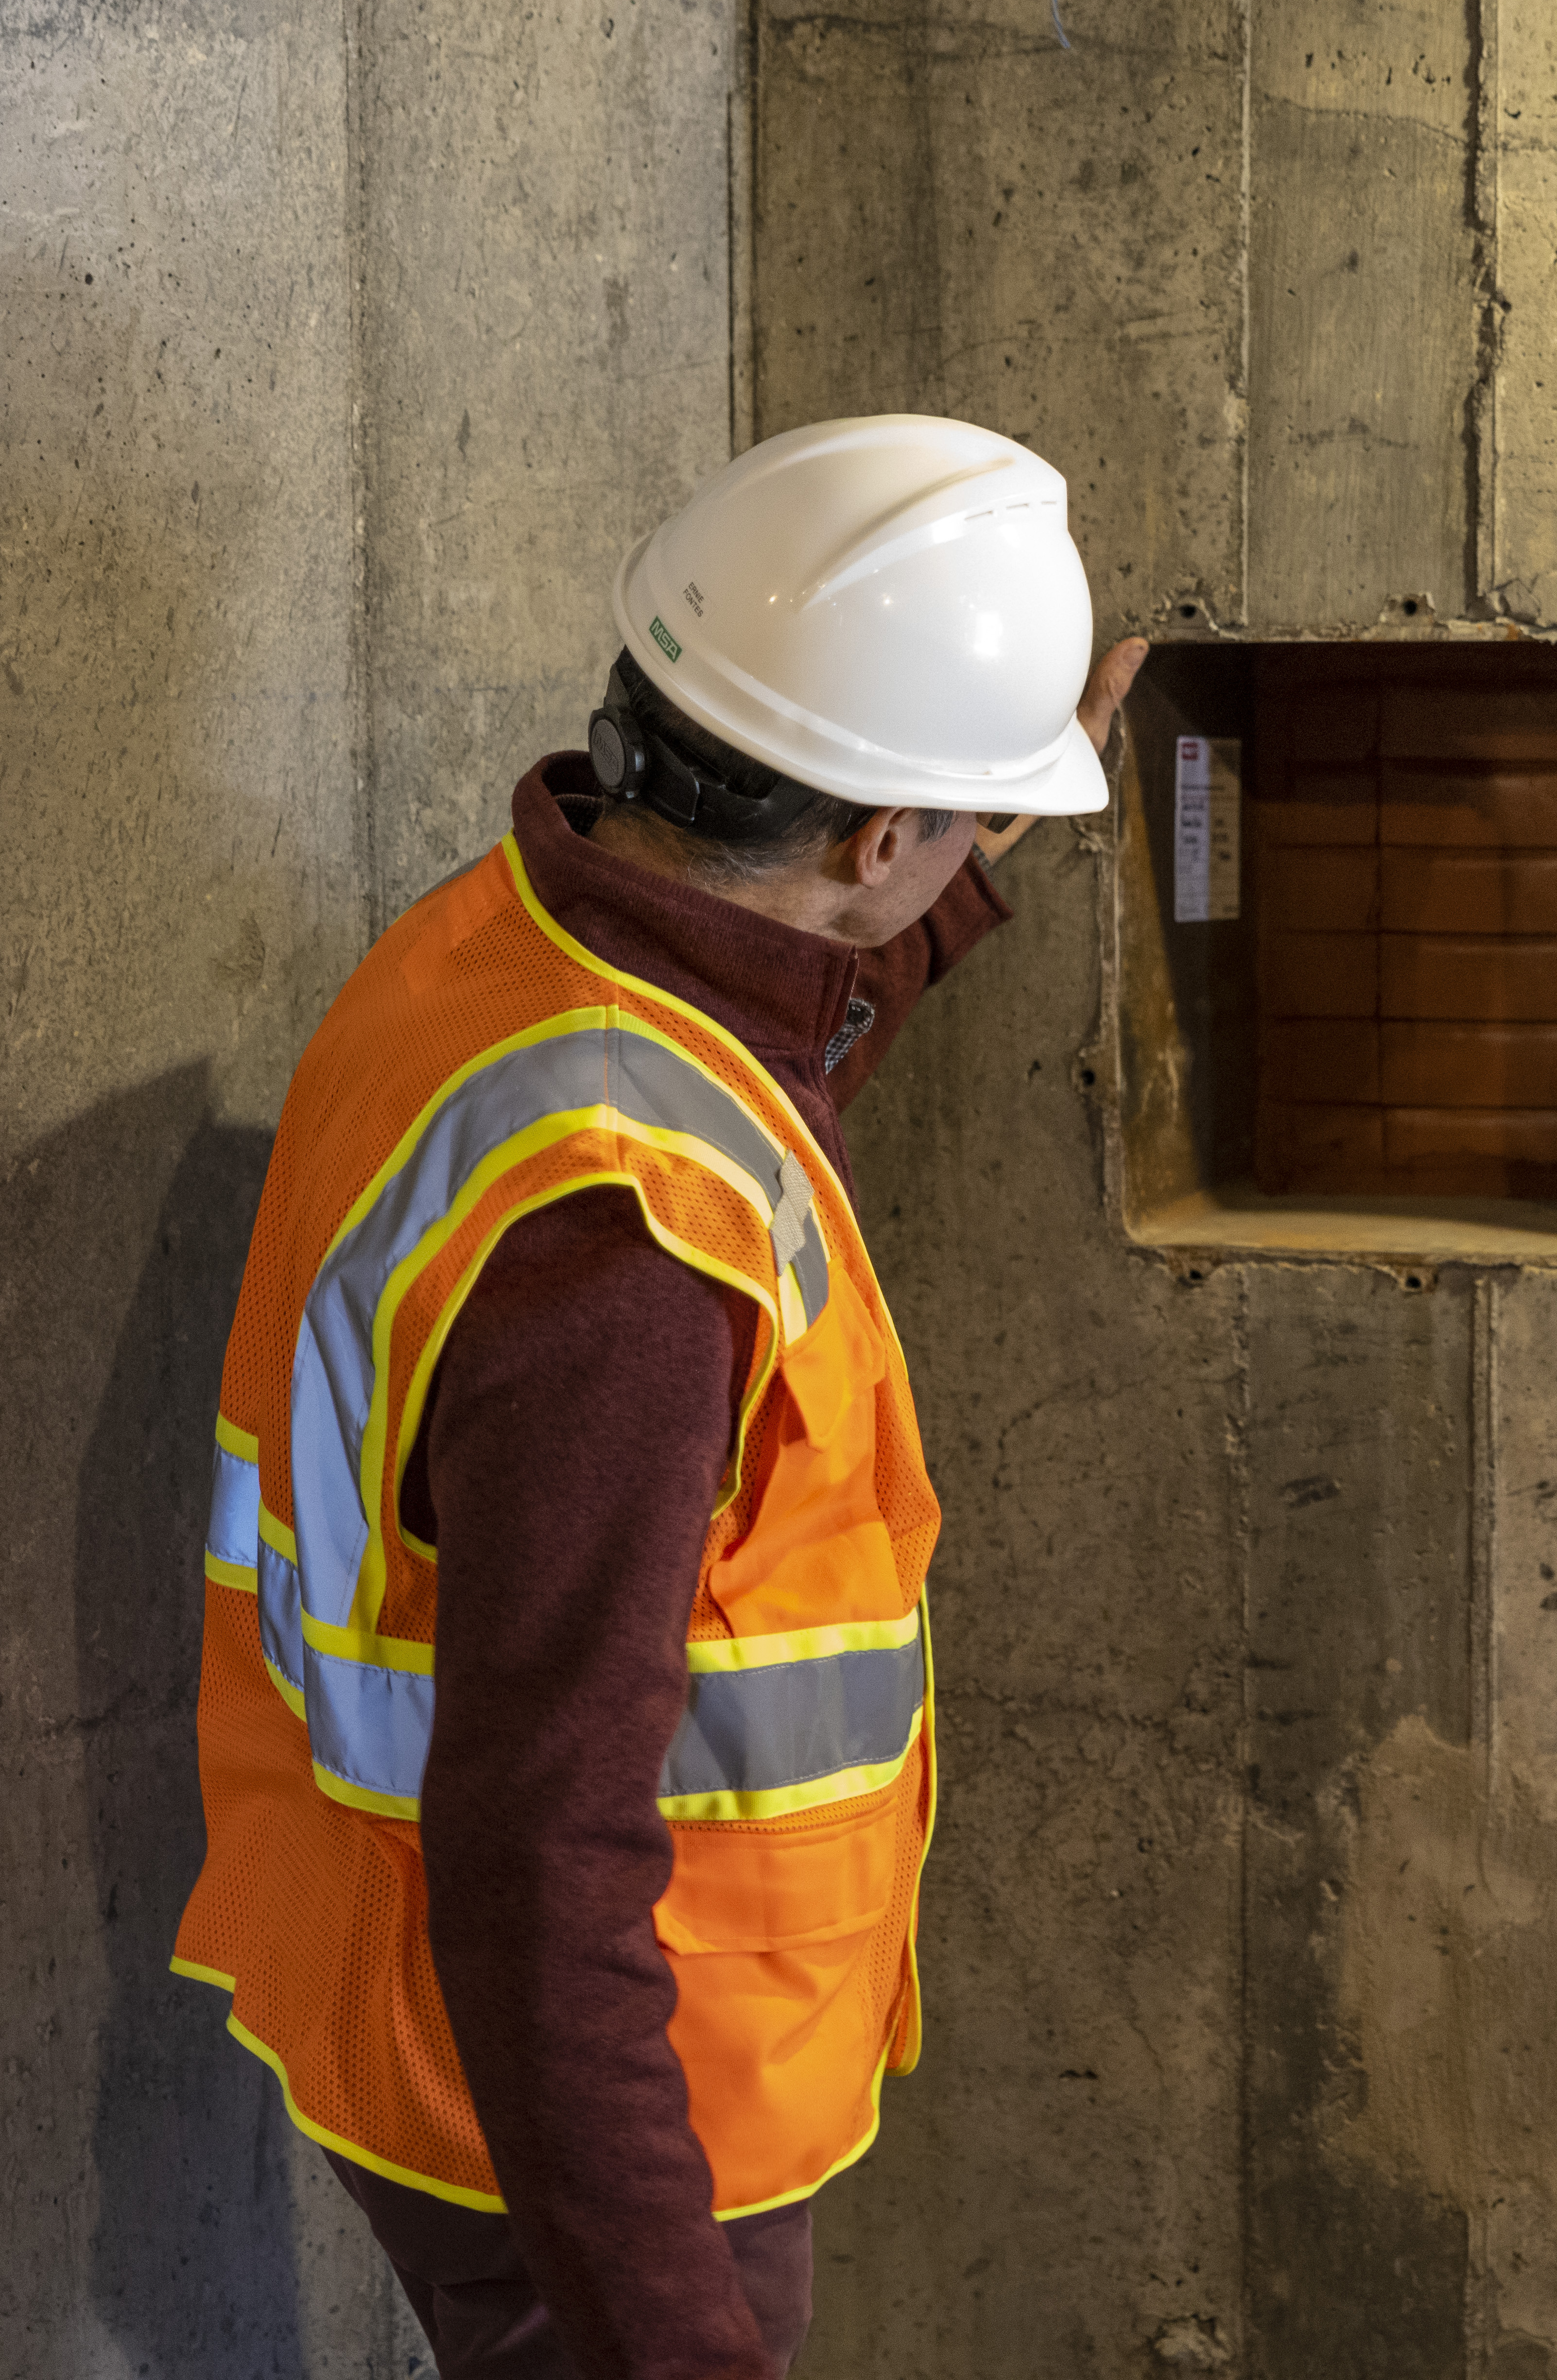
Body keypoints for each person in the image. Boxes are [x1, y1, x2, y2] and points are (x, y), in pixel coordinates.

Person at [171, 414, 1148, 2379]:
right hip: (604, 2117)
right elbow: (542, 1858)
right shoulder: (627, 1255)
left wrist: (939, 879)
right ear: (869, 833)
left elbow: (732, 1053)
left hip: (413, 1978)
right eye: (949, 824)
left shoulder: (508, 951)